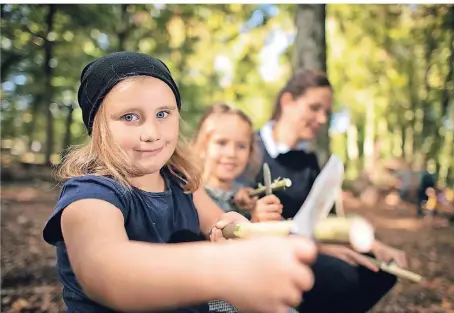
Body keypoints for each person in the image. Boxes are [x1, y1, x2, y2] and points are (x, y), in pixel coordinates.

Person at [42, 52, 317, 313]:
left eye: (163, 114)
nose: (151, 133)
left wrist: (236, 226)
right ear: (97, 126)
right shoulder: (89, 196)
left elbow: (219, 222)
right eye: (129, 117)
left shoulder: (182, 181)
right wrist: (225, 267)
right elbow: (106, 273)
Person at [248, 69, 407, 313]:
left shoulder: (309, 161)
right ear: (287, 102)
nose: (322, 119)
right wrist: (320, 248)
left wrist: (373, 246)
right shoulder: (249, 151)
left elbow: (325, 219)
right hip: (266, 251)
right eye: (314, 108)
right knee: (341, 275)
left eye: (326, 112)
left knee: (383, 271)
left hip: (309, 246)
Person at [193, 103, 283, 222]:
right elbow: (217, 234)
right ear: (203, 147)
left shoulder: (247, 198)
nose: (231, 154)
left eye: (241, 146)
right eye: (221, 143)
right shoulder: (193, 196)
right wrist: (255, 222)